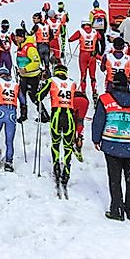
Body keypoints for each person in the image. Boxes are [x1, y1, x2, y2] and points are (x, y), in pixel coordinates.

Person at [92, 70, 130, 221]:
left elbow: (98, 120)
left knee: (114, 178)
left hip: (111, 145)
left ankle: (116, 209)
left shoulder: (105, 99)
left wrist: (96, 139)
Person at [38, 60, 82, 192]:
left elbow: (39, 96)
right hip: (69, 116)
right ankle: (67, 171)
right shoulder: (72, 83)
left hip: (56, 115)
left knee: (55, 142)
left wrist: (41, 86)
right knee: (68, 146)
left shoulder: (51, 81)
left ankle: (56, 165)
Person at [13, 28, 45, 122]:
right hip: (23, 76)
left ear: (22, 37)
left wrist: (26, 69)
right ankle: (23, 114)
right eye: (16, 37)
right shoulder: (20, 46)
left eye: (18, 37)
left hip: (32, 77)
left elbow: (36, 62)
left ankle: (44, 114)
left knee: (34, 96)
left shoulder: (30, 47)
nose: (16, 39)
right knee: (21, 95)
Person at [68, 20, 102, 99]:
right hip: (92, 55)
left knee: (83, 75)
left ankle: (83, 92)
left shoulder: (80, 31)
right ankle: (94, 92)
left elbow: (70, 39)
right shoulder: (95, 32)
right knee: (92, 76)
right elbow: (100, 38)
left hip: (83, 55)